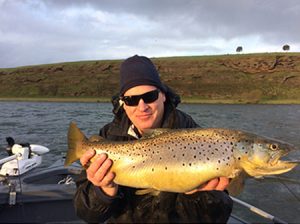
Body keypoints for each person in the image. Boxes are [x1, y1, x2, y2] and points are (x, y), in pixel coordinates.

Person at [74, 55, 233, 223]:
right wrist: (103, 192)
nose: (142, 107)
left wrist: (198, 195)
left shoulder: (198, 140)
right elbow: (87, 214)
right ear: (123, 103)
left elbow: (217, 218)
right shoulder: (107, 138)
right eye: (131, 100)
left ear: (163, 95)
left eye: (149, 96)